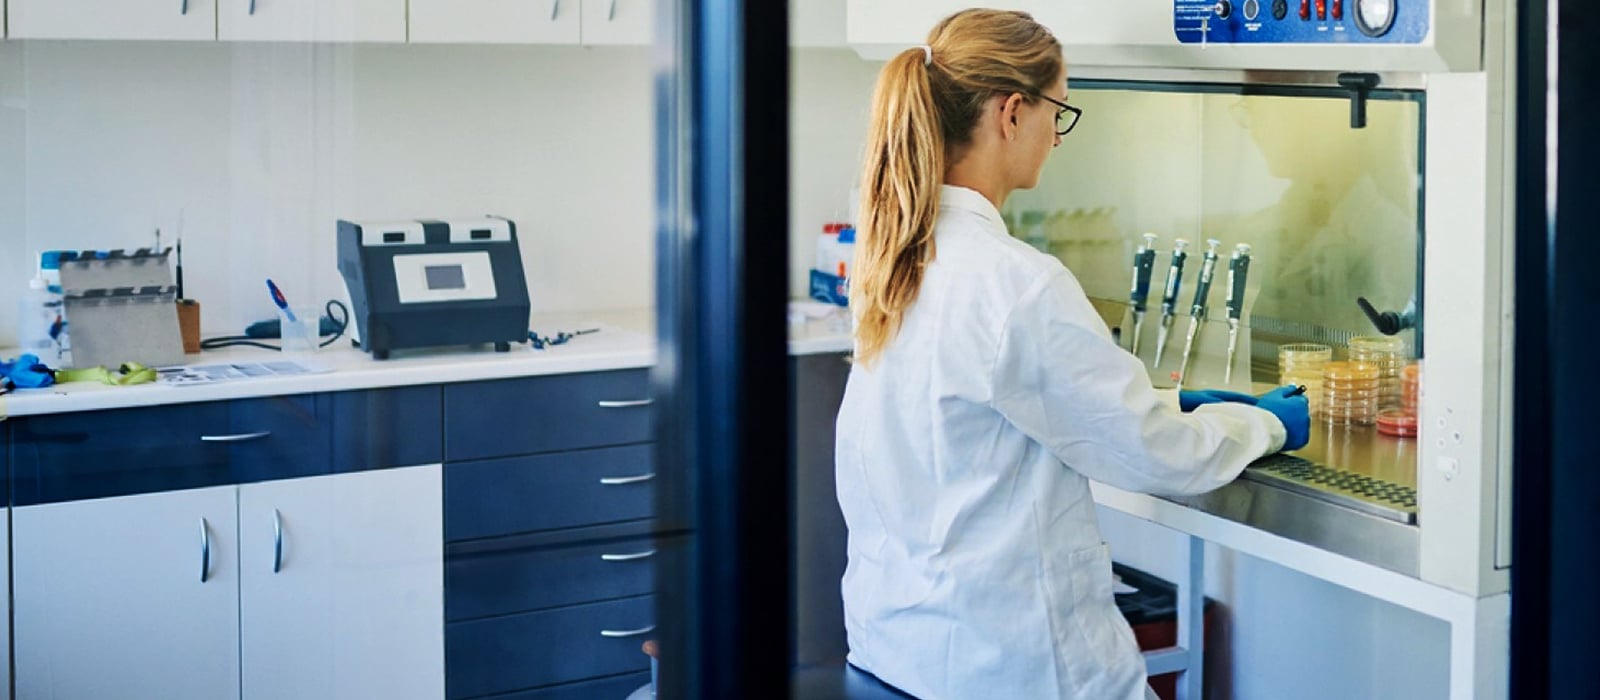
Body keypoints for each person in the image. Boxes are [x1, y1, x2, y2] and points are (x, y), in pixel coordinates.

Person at [835, 9, 1311, 700]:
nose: (1058, 136)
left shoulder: (894, 257)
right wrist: (1262, 426)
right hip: (1009, 667)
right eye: (1057, 110)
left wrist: (1173, 402)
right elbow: (1156, 456)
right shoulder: (1016, 284)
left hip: (897, 649)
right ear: (1010, 112)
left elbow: (986, 415)